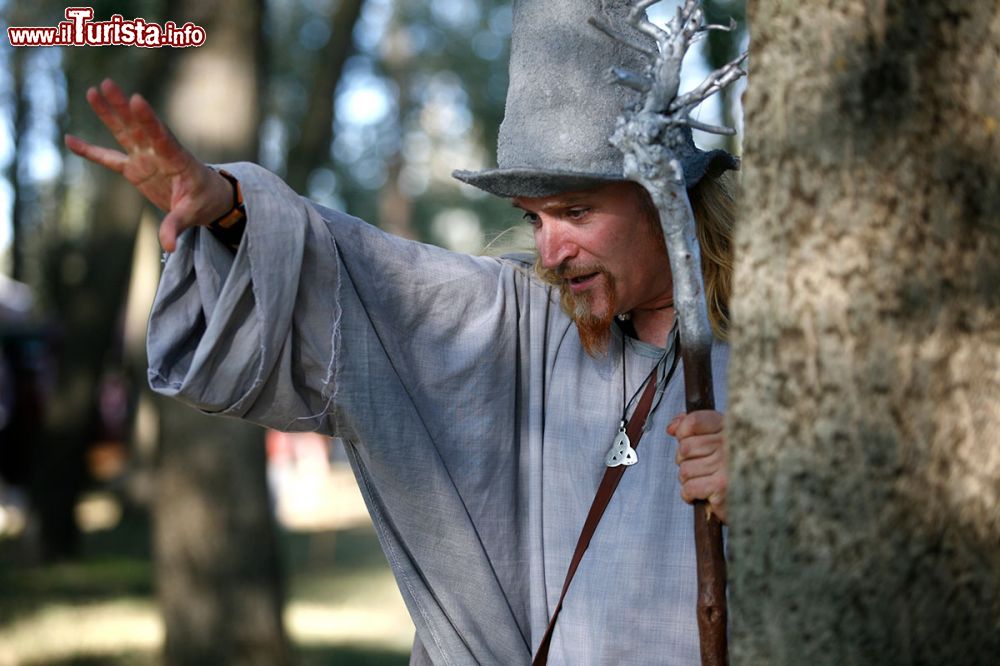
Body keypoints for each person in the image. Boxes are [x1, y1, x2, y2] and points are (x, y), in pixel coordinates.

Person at [66, 1, 737, 663]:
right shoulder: (529, 318)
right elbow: (372, 284)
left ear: (666, 194)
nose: (552, 252)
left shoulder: (796, 349)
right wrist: (233, 213)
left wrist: (771, 484)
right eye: (534, 219)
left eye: (576, 210)